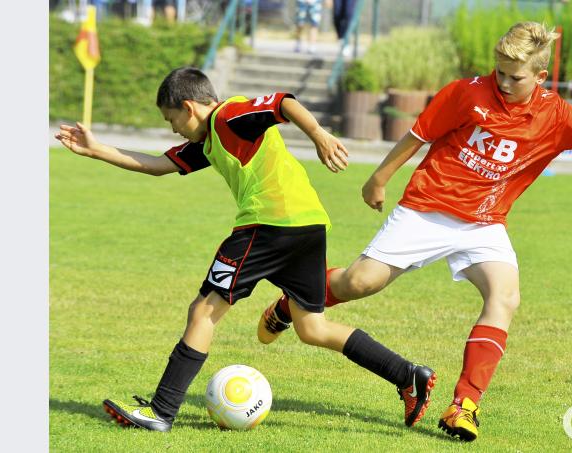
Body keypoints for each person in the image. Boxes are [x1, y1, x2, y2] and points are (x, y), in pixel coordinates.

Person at [257, 22, 572, 442]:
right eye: (500, 73)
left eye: (516, 77)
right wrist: (379, 179)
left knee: (505, 296)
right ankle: (294, 303)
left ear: (541, 78)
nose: (504, 83)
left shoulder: (557, 116)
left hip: (485, 224)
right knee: (359, 283)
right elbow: (417, 135)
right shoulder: (467, 93)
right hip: (427, 209)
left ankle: (464, 405)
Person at [54, 67, 436, 432]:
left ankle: (161, 410)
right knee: (312, 328)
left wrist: (319, 134)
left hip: (268, 224)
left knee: (204, 310)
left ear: (189, 107)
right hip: (308, 225)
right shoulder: (208, 141)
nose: (172, 129)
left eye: (172, 120)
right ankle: (407, 375)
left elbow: (283, 102)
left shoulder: (228, 116)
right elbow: (157, 165)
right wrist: (96, 149)